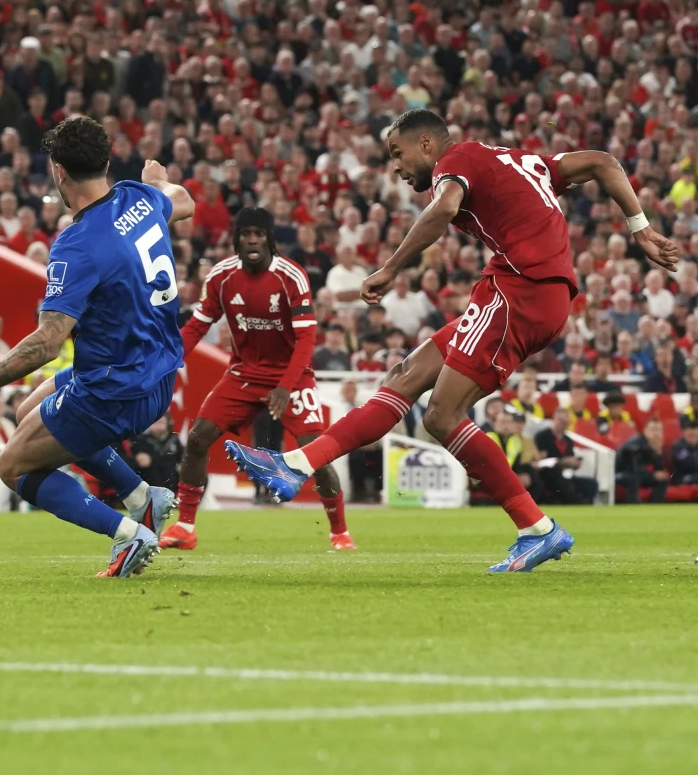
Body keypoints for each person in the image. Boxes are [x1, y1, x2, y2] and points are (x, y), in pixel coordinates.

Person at [227, 108, 679, 572]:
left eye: (398, 154)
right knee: (405, 375)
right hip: (525, 291)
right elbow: (603, 162)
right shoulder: (521, 160)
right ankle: (297, 463)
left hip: (520, 290)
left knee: (442, 414)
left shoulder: (455, 158)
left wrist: (391, 267)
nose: (397, 168)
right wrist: (640, 228)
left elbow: (443, 208)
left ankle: (536, 528)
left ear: (426, 145)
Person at [0, 116, 195, 578]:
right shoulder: (139, 198)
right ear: (106, 162)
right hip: (158, 372)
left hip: (114, 390)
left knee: (14, 466)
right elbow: (181, 198)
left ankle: (128, 535)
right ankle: (145, 498)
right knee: (31, 408)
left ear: (59, 172)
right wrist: (158, 181)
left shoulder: (77, 245)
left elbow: (47, 343)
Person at [159, 207, 350, 551]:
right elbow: (198, 325)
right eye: (245, 234)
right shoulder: (221, 277)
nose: (251, 240)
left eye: (258, 234)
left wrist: (285, 386)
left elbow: (307, 339)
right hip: (244, 373)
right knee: (199, 438)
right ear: (236, 239)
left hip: (292, 376)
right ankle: (185, 526)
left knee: (316, 455)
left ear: (269, 240)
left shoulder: (291, 276)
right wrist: (167, 362)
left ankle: (340, 532)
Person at [533, 408, 599, 505]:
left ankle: (586, 506)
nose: (564, 425)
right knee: (561, 481)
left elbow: (570, 457)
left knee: (591, 483)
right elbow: (541, 460)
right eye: (561, 421)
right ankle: (576, 503)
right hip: (548, 475)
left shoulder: (568, 440)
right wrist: (561, 462)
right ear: (554, 419)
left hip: (565, 473)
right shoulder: (542, 436)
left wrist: (575, 463)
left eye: (566, 423)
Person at [615, 417, 670, 504]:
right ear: (645, 430)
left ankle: (656, 506)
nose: (656, 433)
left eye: (659, 430)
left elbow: (658, 468)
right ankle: (633, 506)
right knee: (633, 478)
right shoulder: (635, 445)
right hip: (620, 473)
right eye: (653, 430)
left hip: (638, 474)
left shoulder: (653, 444)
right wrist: (652, 474)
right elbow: (633, 468)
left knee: (662, 479)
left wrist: (657, 453)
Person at [671, 416, 698, 487]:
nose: (692, 435)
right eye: (690, 435)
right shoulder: (678, 447)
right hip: (682, 478)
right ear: (683, 433)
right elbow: (691, 464)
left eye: (694, 435)